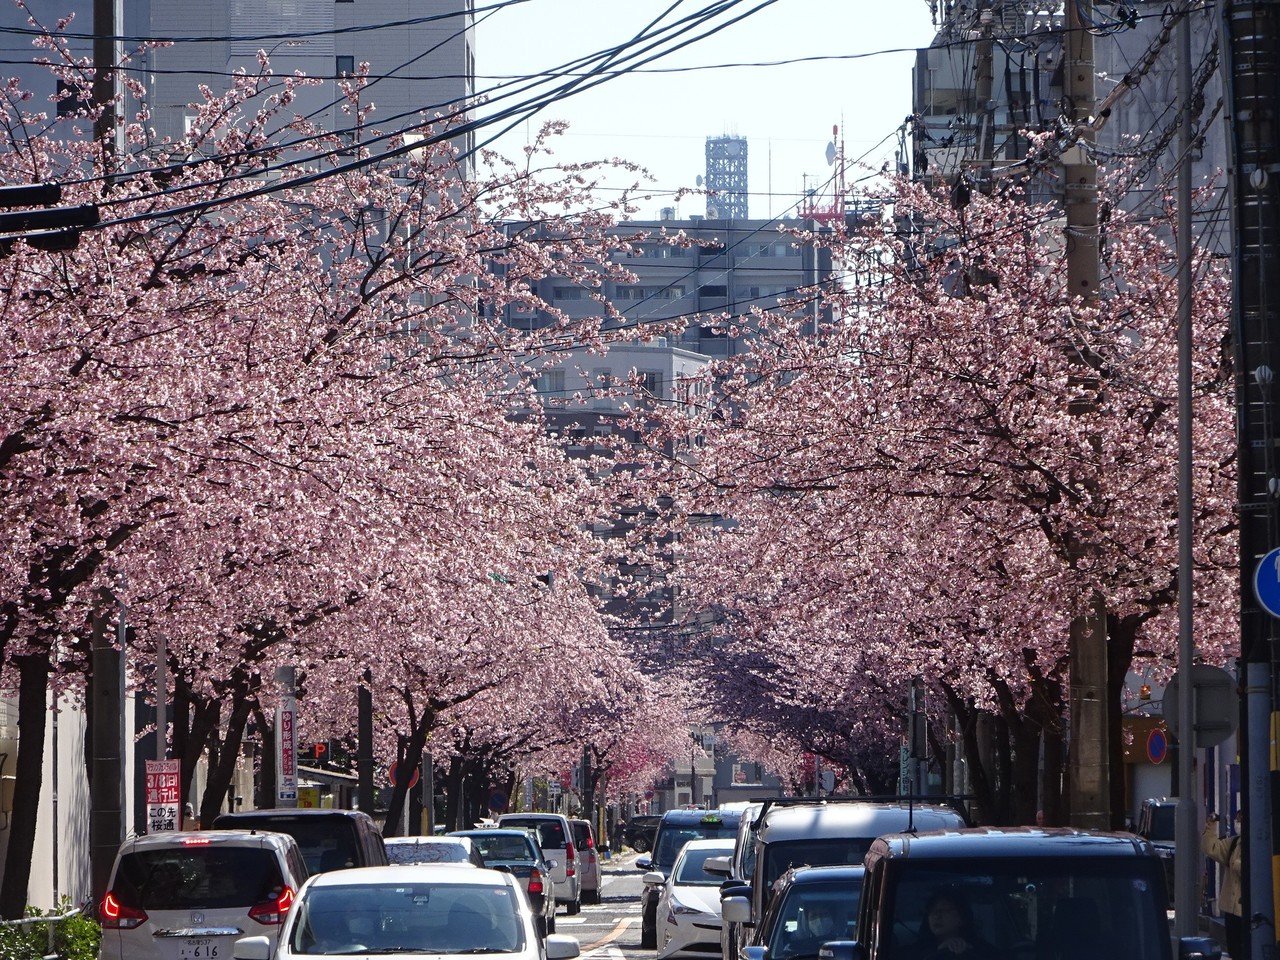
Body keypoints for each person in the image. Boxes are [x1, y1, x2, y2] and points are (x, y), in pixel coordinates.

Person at [1203, 813, 1244, 960]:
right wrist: (1211, 826)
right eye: (1237, 820)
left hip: (1247, 911)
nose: (1237, 823)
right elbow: (1212, 848)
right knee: (1234, 950)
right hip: (1231, 910)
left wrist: (1236, 864)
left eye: (1240, 820)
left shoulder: (1262, 844)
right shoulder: (1234, 843)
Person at [912, 890, 997, 960]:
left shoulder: (983, 950)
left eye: (944, 910)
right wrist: (938, 953)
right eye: (932, 911)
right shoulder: (915, 952)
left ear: (961, 918)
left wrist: (969, 951)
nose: (936, 916)